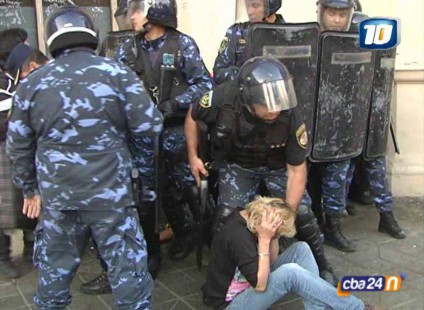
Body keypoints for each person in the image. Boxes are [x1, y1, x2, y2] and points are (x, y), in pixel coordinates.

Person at [6, 6, 162, 309]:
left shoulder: (32, 84)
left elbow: (17, 145)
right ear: (91, 35)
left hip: (59, 197)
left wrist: (29, 188)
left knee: (54, 274)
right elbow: (150, 125)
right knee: (128, 273)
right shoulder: (116, 73)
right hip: (112, 197)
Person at [186, 56, 338, 286]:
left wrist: (288, 214)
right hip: (238, 165)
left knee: (304, 213)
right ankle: (222, 274)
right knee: (226, 217)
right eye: (266, 105)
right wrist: (193, 156)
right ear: (248, 100)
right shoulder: (223, 98)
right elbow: (192, 115)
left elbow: (297, 171)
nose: (274, 109)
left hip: (277, 166)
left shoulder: (290, 115)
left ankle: (322, 264)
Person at [308, 0, 404, 254]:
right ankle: (317, 226)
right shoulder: (309, 39)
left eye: (343, 14)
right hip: (316, 126)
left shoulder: (362, 39)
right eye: (332, 13)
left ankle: (336, 226)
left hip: (351, 123)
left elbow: (381, 70)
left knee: (347, 175)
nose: (338, 20)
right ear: (321, 11)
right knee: (319, 180)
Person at [202, 196, 380, 310]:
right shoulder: (238, 236)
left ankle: (317, 308)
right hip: (231, 304)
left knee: (301, 249)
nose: (276, 234)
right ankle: (357, 308)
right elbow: (260, 285)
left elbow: (270, 261)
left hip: (250, 283)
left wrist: (272, 238)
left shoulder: (250, 218)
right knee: (290, 273)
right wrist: (264, 240)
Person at [0, 28, 35, 278]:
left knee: (28, 198)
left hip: (25, 148)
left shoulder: (23, 76)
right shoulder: (3, 81)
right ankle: (3, 255)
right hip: (3, 148)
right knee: (3, 205)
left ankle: (33, 245)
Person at [213, 0, 285, 84]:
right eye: (247, 5)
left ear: (270, 7)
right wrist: (244, 77)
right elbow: (219, 71)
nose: (249, 12)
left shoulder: (288, 35)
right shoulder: (236, 32)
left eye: (255, 6)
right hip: (242, 93)